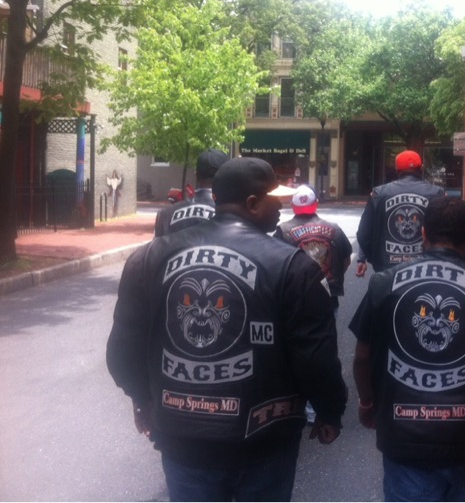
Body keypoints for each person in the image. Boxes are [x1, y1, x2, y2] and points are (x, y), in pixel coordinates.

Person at [107, 157, 348, 502]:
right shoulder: (294, 268)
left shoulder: (147, 259)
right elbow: (316, 360)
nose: (281, 208)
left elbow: (123, 350)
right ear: (252, 204)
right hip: (265, 443)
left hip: (182, 441)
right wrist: (330, 411)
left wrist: (142, 398)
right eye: (274, 200)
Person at [349, 196, 465, 501]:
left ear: (422, 233)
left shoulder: (382, 284)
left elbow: (363, 357)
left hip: (404, 440)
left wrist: (368, 402)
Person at [274, 184, 353, 425]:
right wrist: (328, 280)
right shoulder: (334, 229)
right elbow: (346, 259)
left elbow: (277, 265)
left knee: (294, 347)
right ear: (316, 204)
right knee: (324, 349)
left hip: (294, 299)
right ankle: (322, 404)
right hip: (327, 297)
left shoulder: (283, 231)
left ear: (293, 206)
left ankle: (300, 401)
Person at [355, 150, 444, 277]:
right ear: (421, 169)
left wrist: (373, 259)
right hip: (426, 270)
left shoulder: (378, 194)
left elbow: (364, 233)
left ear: (397, 170)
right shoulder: (437, 193)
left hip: (387, 270)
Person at [154, 148, 229, 237]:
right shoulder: (234, 216)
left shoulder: (165, 215)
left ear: (196, 176)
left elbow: (157, 245)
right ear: (226, 177)